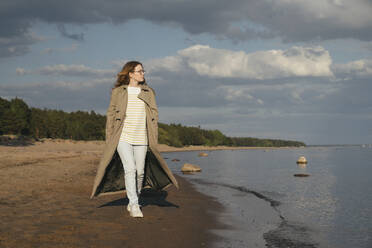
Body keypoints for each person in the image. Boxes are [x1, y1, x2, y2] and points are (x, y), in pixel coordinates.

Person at [90, 61, 179, 218]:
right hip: (123, 136)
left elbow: (154, 115)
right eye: (139, 71)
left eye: (143, 71)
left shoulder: (148, 92)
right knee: (130, 169)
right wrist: (110, 138)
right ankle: (133, 203)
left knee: (140, 172)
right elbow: (110, 115)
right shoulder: (118, 92)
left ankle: (135, 197)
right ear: (130, 74)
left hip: (142, 137)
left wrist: (154, 136)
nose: (142, 74)